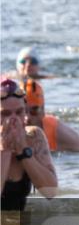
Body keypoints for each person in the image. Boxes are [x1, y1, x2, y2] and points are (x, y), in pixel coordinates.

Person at [1, 79, 58, 211]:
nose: (13, 119)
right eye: (5, 114)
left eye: (19, 112)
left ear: (25, 113)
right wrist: (5, 150)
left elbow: (50, 192)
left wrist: (23, 151)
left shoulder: (34, 137)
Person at [24, 79, 79, 153]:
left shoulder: (61, 134)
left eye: (34, 111)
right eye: (22, 111)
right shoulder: (9, 131)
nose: (27, 118)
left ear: (43, 111)